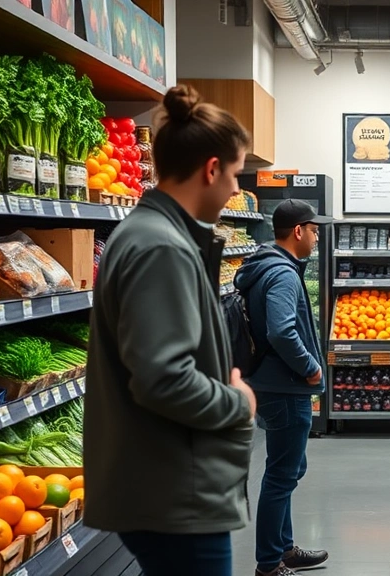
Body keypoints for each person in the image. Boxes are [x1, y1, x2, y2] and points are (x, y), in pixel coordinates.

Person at [84, 85, 257, 576]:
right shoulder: (161, 248)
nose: (233, 191)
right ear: (210, 169)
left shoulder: (147, 234)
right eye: (235, 175)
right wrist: (237, 402)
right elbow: (164, 379)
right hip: (174, 492)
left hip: (162, 484)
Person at [234, 199, 331, 576]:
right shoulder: (283, 275)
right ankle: (269, 563)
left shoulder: (265, 265)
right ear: (298, 231)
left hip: (270, 384)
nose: (316, 237)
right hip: (286, 387)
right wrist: (309, 368)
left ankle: (284, 548)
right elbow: (281, 330)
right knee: (280, 475)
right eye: (314, 230)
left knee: (287, 469)